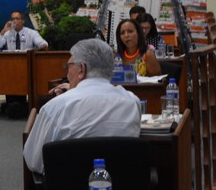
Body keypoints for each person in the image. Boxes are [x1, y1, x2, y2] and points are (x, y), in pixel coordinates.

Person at [22, 38, 142, 176]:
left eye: (70, 66)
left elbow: (34, 160)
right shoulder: (132, 102)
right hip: (121, 185)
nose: (67, 74)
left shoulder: (56, 107)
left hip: (67, 187)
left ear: (82, 69)